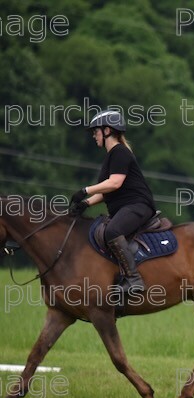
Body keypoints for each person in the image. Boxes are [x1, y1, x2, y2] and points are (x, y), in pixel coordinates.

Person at [69, 110, 156, 295]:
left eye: (95, 131)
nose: (94, 136)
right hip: (126, 207)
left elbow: (114, 182)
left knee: (112, 231)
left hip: (138, 206)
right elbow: (108, 189)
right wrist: (86, 203)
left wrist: (84, 191)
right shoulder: (111, 155)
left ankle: (134, 280)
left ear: (107, 130)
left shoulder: (119, 152)